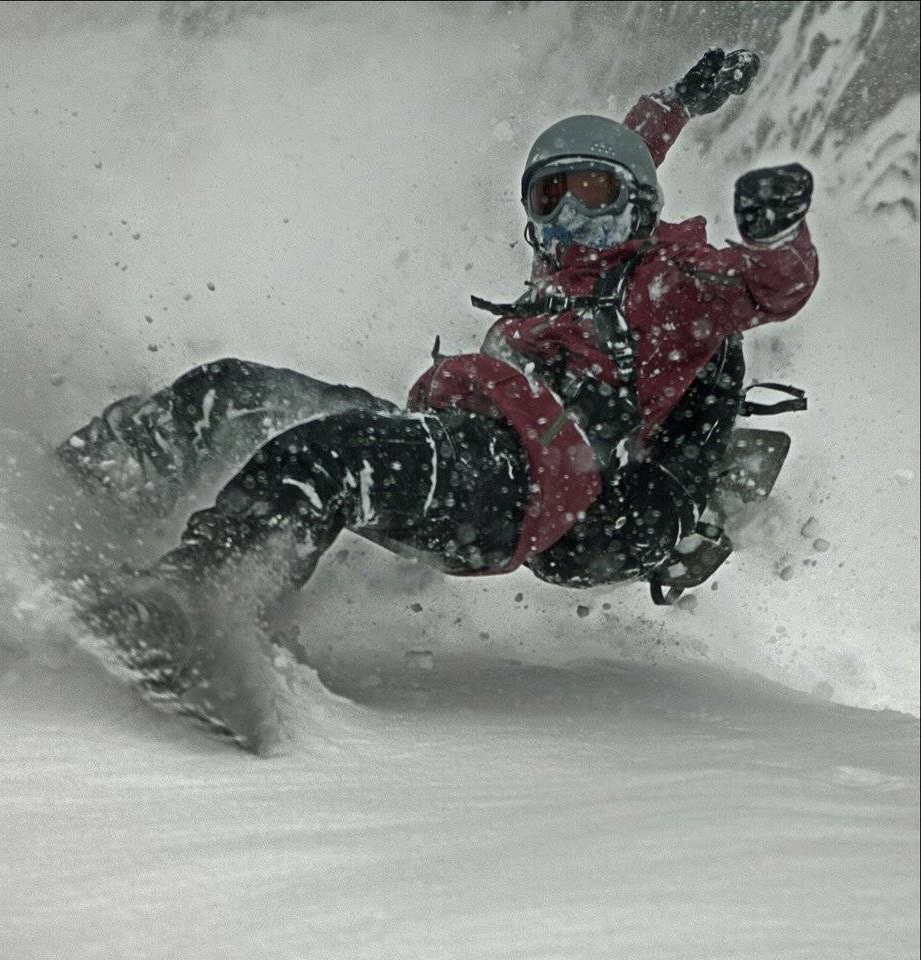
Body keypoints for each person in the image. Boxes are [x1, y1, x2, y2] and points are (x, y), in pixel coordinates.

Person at [56, 49, 819, 734]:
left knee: (334, 457)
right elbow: (626, 150)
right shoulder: (565, 274)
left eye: (592, 195)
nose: (570, 218)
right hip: (459, 437)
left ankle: (203, 601)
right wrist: (676, 101)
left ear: (638, 205)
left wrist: (776, 235)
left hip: (533, 482)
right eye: (549, 201)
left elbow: (773, 287)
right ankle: (79, 484)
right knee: (234, 389)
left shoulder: (669, 287)